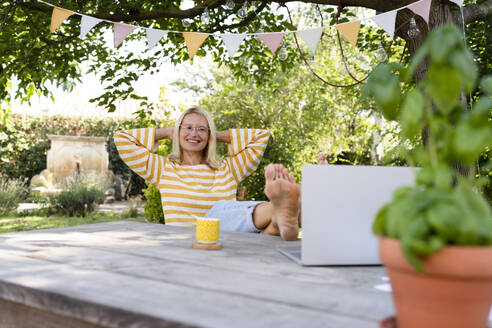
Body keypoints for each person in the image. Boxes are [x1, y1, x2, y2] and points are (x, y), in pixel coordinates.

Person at [114, 106, 300, 240]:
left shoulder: (228, 168)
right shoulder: (163, 169)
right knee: (219, 212)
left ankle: (281, 219)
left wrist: (214, 135)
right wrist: (167, 132)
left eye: (201, 129)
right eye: (187, 128)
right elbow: (122, 139)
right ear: (177, 131)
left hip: (227, 242)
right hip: (184, 244)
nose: (194, 134)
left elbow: (260, 137)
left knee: (234, 217)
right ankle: (282, 211)